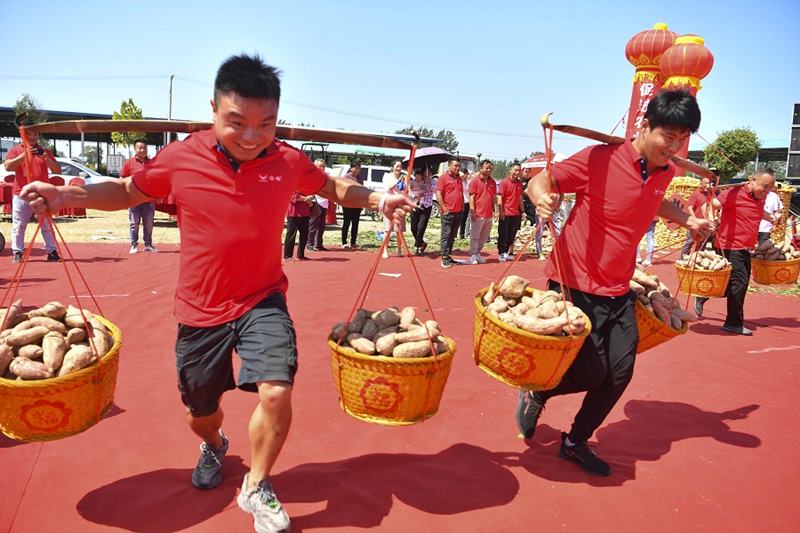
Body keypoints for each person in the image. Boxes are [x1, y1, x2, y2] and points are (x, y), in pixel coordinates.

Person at [20, 54, 413, 533]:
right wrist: (66, 195)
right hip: (199, 308)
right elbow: (127, 192)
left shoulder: (287, 159)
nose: (252, 136)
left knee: (276, 389)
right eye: (237, 123)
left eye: (265, 124)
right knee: (199, 411)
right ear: (213, 110)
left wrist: (376, 197)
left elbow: (331, 185)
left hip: (262, 299)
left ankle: (258, 484)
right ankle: (213, 443)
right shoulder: (182, 156)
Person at [518, 90, 712, 476]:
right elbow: (541, 181)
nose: (673, 147)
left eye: (681, 140)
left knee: (619, 373)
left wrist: (688, 220)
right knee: (590, 371)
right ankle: (538, 390)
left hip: (619, 287)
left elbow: (654, 199)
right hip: (574, 282)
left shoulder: (667, 171)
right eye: (667, 137)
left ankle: (574, 442)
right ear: (645, 127)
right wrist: (542, 199)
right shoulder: (599, 159)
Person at [694, 169, 777, 335]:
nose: (767, 192)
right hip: (729, 246)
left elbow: (758, 211)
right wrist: (710, 220)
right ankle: (733, 323)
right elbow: (708, 205)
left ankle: (704, 294)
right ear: (752, 180)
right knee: (739, 283)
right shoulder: (733, 193)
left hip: (746, 247)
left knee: (736, 284)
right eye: (765, 187)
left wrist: (772, 218)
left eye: (770, 188)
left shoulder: (760, 197)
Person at [3, 129, 62, 263]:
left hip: (42, 194)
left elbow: (57, 170)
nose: (33, 137)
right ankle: (17, 252)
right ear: (24, 136)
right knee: (19, 225)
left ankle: (52, 251)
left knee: (46, 224)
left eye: (36, 134)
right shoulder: (15, 150)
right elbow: (8, 167)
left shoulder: (45, 151)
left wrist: (46, 159)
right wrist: (25, 155)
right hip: (21, 194)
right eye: (30, 134)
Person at [121, 138, 157, 254]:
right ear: (135, 149)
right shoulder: (128, 163)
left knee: (149, 224)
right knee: (134, 223)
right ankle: (134, 245)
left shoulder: (152, 163)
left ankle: (148, 244)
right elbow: (122, 179)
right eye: (140, 148)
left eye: (145, 148)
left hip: (148, 199)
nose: (143, 150)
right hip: (134, 200)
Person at [435, 158, 464, 268]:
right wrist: (444, 208)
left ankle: (448, 255)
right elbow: (438, 194)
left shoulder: (459, 179)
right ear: (449, 166)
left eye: (459, 166)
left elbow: (460, 193)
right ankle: (444, 257)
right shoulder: (443, 178)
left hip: (458, 212)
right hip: (448, 212)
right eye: (455, 166)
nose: (457, 168)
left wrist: (462, 208)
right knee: (446, 235)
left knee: (452, 235)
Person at [467, 160, 496, 264]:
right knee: (475, 236)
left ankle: (478, 253)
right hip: (478, 213)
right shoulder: (474, 181)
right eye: (486, 168)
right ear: (481, 168)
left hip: (488, 214)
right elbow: (472, 198)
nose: (489, 170)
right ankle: (473, 255)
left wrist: (495, 210)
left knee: (484, 236)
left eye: (490, 168)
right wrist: (472, 211)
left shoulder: (492, 182)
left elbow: (493, 197)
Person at [497, 163, 524, 261]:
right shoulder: (504, 182)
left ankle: (507, 252)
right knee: (503, 234)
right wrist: (500, 212)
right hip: (506, 212)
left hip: (515, 213)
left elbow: (520, 197)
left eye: (519, 170)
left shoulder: (519, 184)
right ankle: (501, 253)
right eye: (515, 170)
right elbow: (499, 197)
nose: (517, 172)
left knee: (512, 235)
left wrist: (522, 211)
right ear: (510, 170)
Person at [679, 176, 711, 257]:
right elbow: (690, 207)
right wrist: (694, 220)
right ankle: (682, 259)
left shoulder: (710, 195)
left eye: (709, 183)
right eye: (706, 183)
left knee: (702, 243)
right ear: (701, 184)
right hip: (695, 223)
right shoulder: (696, 193)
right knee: (690, 242)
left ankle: (696, 259)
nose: (707, 185)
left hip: (704, 224)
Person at [381, 161, 406, 257]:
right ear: (392, 167)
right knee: (387, 229)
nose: (399, 168)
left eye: (400, 167)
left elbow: (405, 190)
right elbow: (388, 188)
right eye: (397, 166)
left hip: (399, 205)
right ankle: (385, 250)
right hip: (389, 204)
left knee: (399, 230)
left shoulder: (403, 178)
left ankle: (399, 250)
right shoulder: (387, 176)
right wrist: (397, 181)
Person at [409, 168, 434, 255]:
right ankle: (422, 243)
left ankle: (417, 246)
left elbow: (432, 189)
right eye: (424, 173)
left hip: (426, 206)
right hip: (415, 205)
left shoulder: (432, 181)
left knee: (421, 227)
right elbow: (409, 189)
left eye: (428, 173)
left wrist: (427, 185)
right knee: (413, 227)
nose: (426, 175)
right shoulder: (416, 181)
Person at [284, 191, 313, 261]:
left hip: (305, 212)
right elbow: (293, 196)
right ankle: (287, 256)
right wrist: (306, 198)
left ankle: (300, 255)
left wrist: (310, 197)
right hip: (294, 213)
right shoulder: (291, 184)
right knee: (291, 235)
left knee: (304, 234)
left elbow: (312, 193)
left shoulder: (305, 186)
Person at [307, 158, 329, 251]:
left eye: (323, 166)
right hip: (316, 202)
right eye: (320, 166)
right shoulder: (312, 176)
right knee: (313, 225)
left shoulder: (327, 176)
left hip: (325, 202)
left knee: (321, 225)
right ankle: (309, 244)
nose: (322, 168)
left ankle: (319, 244)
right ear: (315, 166)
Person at [340, 161, 363, 249]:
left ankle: (353, 242)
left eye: (359, 168)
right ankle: (344, 242)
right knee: (346, 223)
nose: (357, 170)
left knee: (355, 223)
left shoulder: (360, 178)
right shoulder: (346, 177)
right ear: (351, 168)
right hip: (347, 204)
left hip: (357, 204)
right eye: (355, 167)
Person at [458, 168, 472, 239]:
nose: (462, 176)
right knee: (462, 218)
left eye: (463, 175)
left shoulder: (469, 182)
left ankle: (465, 233)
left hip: (469, 202)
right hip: (462, 202)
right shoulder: (459, 181)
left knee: (467, 218)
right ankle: (460, 233)